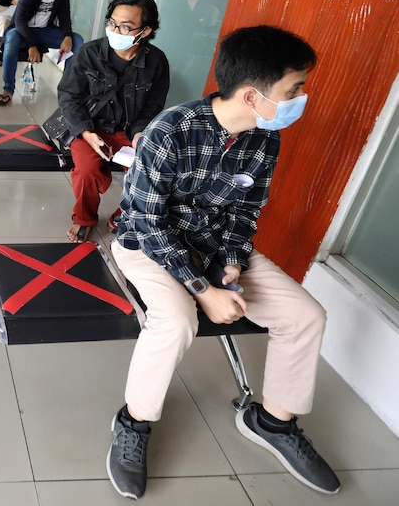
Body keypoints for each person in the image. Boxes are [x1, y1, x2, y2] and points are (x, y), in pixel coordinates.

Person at [107, 25, 340, 499]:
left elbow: (245, 210)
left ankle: (273, 421)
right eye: (293, 89)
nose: (301, 97)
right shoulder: (170, 131)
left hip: (213, 245)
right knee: (175, 321)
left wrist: (232, 264)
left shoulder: (264, 138)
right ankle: (132, 421)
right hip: (147, 244)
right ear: (254, 96)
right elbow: (149, 222)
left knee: (305, 315)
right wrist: (203, 290)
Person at [58, 0, 169, 243]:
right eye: (112, 23)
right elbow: (68, 95)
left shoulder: (157, 62)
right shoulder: (89, 53)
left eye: (126, 27)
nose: (116, 30)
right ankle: (84, 218)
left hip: (129, 131)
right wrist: (86, 133)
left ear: (146, 30)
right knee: (86, 170)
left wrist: (140, 134)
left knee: (152, 169)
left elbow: (153, 106)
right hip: (90, 127)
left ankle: (123, 214)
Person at [0, 0, 83, 106]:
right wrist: (31, 45)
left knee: (78, 41)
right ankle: (8, 90)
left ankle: (67, 91)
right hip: (21, 31)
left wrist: (68, 36)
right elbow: (20, 19)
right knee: (11, 44)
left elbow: (65, 17)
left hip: (44, 31)